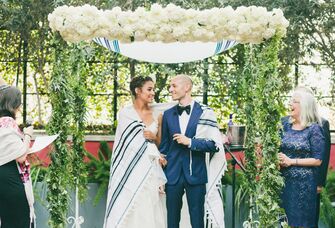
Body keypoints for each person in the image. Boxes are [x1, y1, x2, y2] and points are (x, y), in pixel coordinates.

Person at [159, 74, 227, 228]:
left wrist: (189, 142)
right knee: (172, 221)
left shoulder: (205, 112)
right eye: (170, 86)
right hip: (172, 176)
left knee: (197, 222)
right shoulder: (168, 114)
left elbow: (214, 145)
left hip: (196, 174)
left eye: (174, 86)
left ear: (187, 87)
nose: (170, 90)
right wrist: (160, 176)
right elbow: (164, 148)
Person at [104, 76, 167, 228]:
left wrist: (153, 138)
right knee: (131, 205)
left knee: (148, 207)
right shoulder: (126, 114)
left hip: (150, 171)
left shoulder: (158, 114)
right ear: (138, 91)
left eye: (153, 89)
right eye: (149, 89)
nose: (153, 93)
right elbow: (125, 145)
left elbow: (160, 143)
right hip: (130, 169)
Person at [281, 86, 331, 227]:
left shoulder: (319, 125)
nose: (291, 104)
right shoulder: (284, 123)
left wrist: (320, 183)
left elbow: (323, 156)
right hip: (285, 182)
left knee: (306, 222)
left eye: (295, 101)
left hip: (307, 182)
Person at [0, 84, 35, 228]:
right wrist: (27, 135)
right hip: (10, 178)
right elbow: (20, 155)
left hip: (3, 178)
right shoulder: (8, 123)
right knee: (19, 221)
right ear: (14, 104)